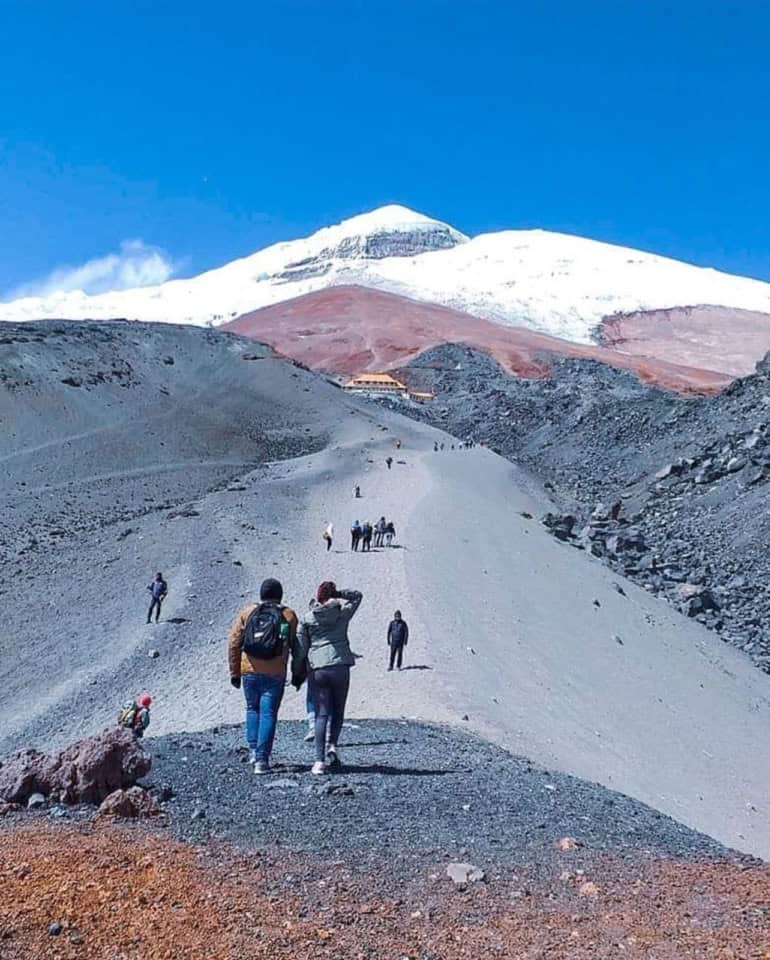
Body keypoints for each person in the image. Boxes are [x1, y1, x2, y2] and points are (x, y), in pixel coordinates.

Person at [228, 578, 299, 774]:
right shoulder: (288, 615)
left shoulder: (247, 612)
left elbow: (234, 642)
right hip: (275, 672)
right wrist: (298, 673)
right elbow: (295, 646)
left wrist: (234, 672)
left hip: (248, 670)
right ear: (280, 595)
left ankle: (253, 751)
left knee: (252, 709)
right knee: (268, 714)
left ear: (261, 594)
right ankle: (262, 760)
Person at [295, 582, 363, 775]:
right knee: (339, 709)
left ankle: (318, 761)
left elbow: (300, 648)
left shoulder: (308, 618)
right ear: (332, 596)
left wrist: (300, 669)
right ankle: (332, 746)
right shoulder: (341, 614)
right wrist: (340, 593)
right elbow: (357, 595)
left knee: (321, 714)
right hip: (340, 665)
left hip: (318, 669)